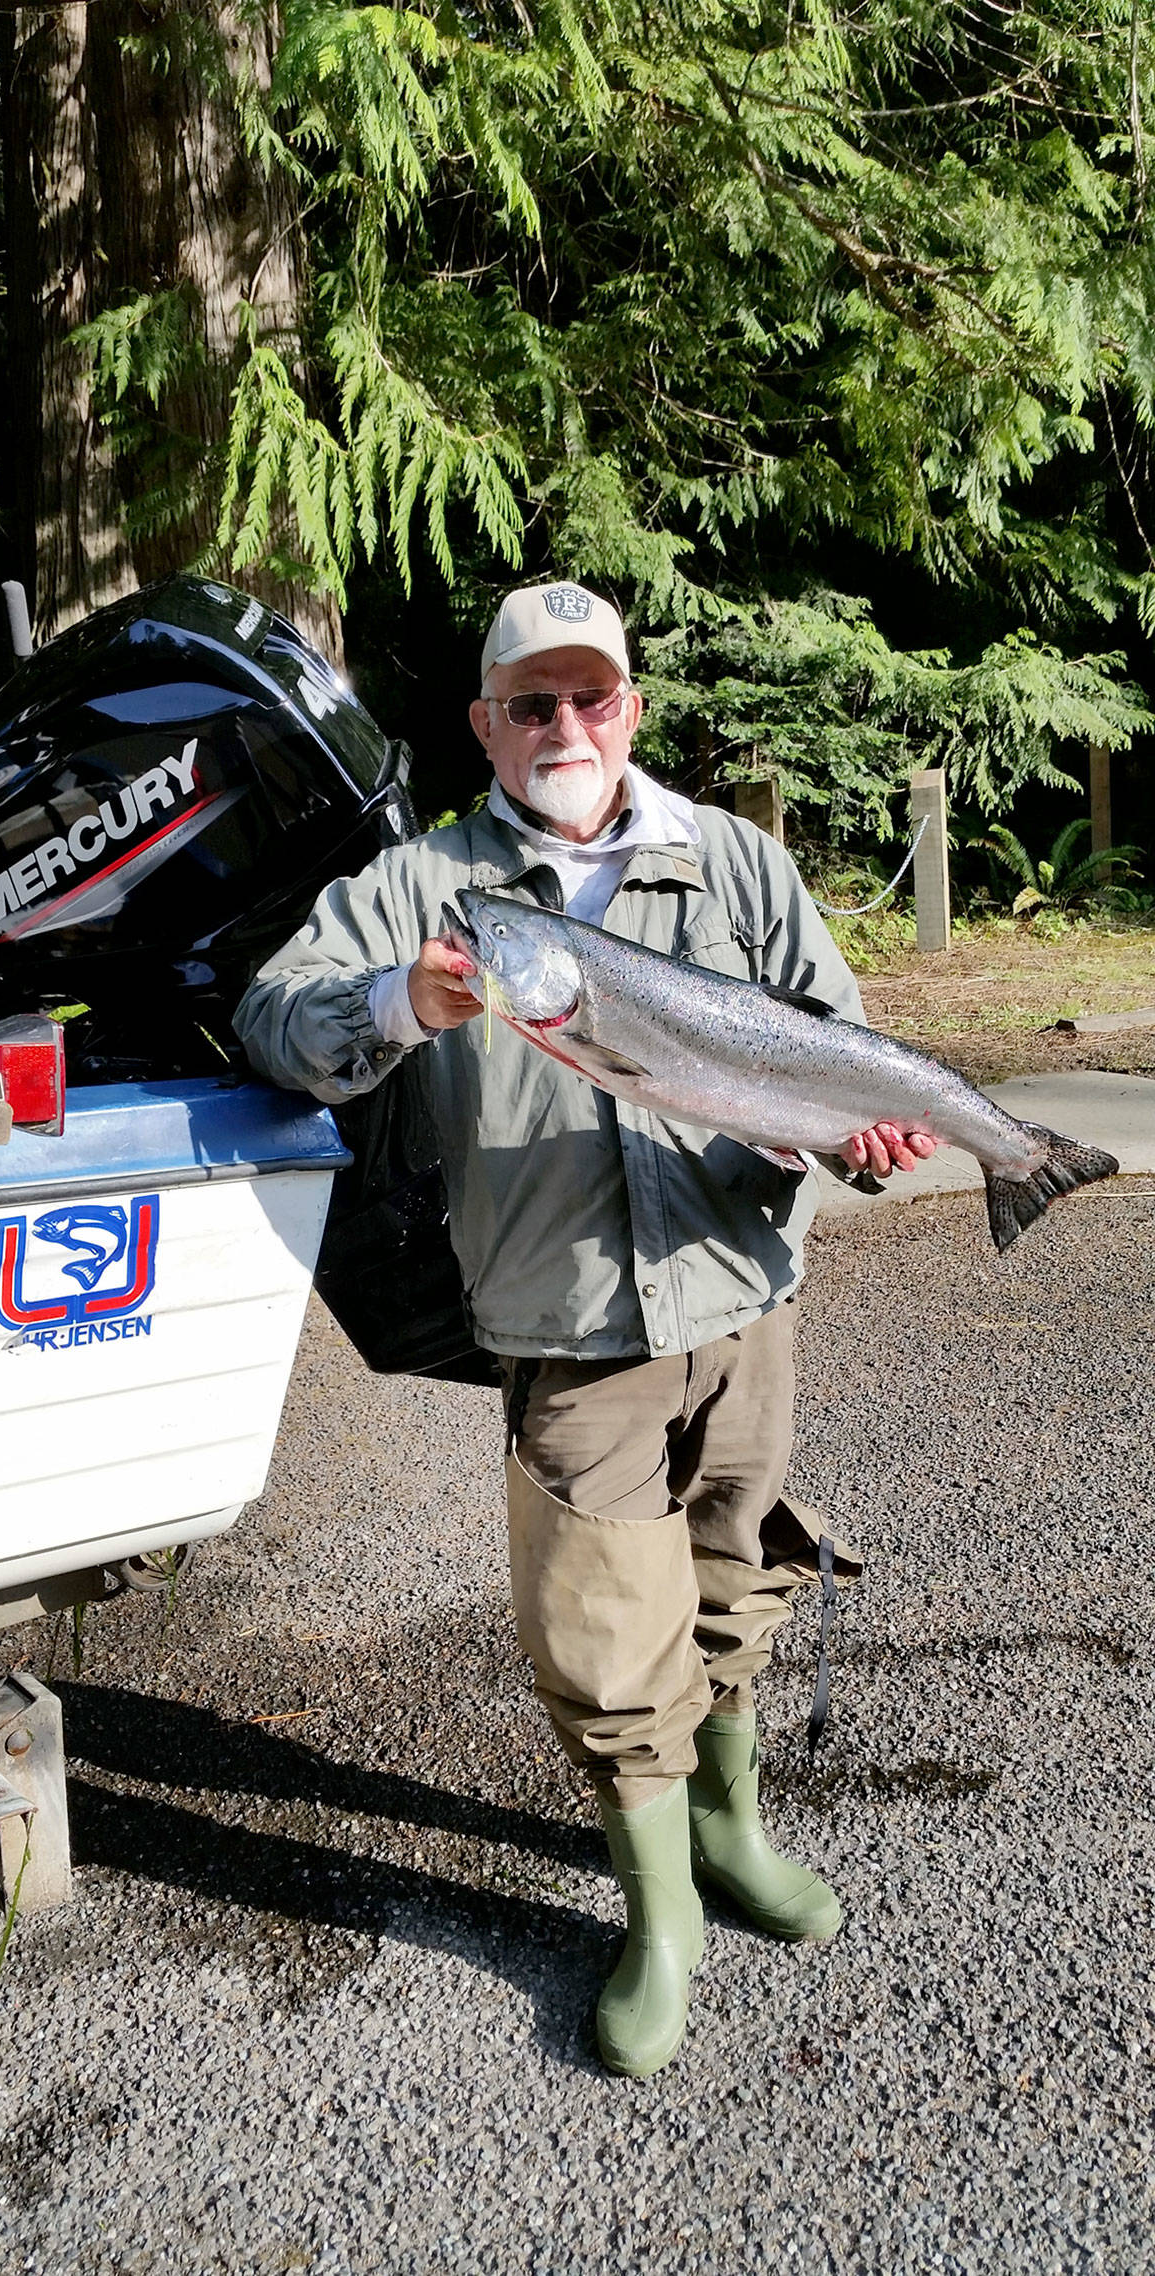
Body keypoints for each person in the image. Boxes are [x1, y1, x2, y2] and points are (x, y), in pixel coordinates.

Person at [234, 581, 938, 2077]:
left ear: (631, 709)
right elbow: (275, 1025)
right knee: (610, 1646)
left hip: (746, 1303)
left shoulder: (738, 863)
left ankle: (735, 1835)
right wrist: (403, 1005)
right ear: (484, 722)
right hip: (565, 1331)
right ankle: (663, 1911)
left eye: (592, 698)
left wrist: (857, 1139)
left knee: (738, 1579)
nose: (566, 726)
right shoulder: (427, 889)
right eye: (531, 704)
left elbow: (834, 1038)